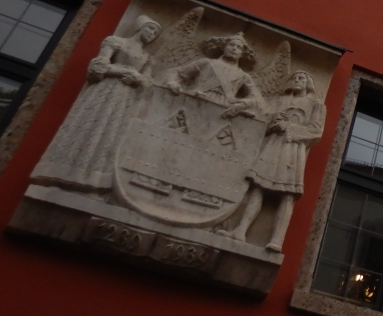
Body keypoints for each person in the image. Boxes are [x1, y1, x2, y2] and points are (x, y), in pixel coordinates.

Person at [31, 16, 160, 191]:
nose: (152, 34)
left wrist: (137, 77)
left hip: (124, 99)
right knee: (88, 124)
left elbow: (148, 82)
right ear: (139, 27)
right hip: (104, 90)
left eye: (156, 33)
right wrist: (124, 71)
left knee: (110, 134)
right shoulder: (116, 42)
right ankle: (59, 175)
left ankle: (94, 182)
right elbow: (98, 66)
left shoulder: (147, 57)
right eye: (150, 28)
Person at [219, 70, 323, 252]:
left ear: (308, 84)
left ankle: (276, 240)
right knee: (258, 187)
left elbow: (316, 131)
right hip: (273, 145)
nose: (297, 80)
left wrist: (289, 126)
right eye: (294, 77)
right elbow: (263, 116)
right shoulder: (281, 100)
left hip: (293, 149)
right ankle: (240, 230)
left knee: (287, 194)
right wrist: (274, 122)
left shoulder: (316, 105)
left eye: (301, 78)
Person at [165, 32, 263, 115]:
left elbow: (257, 100)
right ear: (224, 47)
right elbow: (177, 72)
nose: (234, 48)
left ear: (242, 54)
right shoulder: (206, 63)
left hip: (221, 110)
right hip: (195, 102)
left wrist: (243, 104)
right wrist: (172, 81)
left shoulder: (244, 76)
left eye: (239, 47)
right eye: (231, 45)